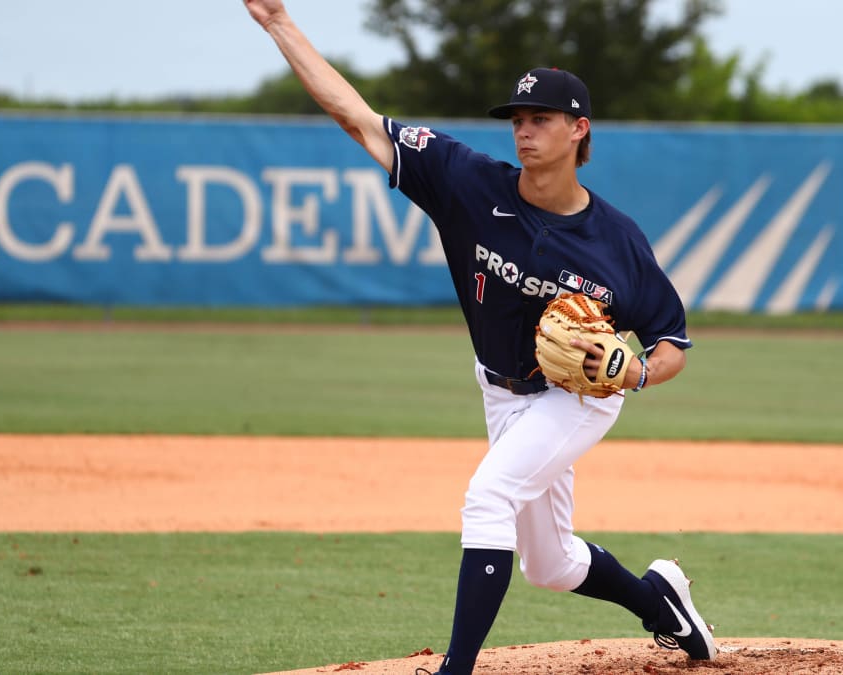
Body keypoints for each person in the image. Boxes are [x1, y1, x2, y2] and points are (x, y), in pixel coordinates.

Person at [242, 2, 717, 673]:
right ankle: (663, 604)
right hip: (498, 386)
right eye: (518, 119)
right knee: (549, 564)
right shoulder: (467, 182)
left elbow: (672, 341)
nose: (524, 131)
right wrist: (277, 23)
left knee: (488, 496)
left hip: (576, 395)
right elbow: (357, 118)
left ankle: (455, 669)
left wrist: (636, 371)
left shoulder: (618, 242)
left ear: (578, 129)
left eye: (540, 119)